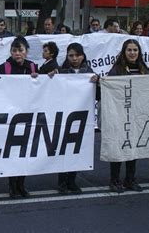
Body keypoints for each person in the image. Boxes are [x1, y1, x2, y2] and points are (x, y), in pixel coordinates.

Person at [53, 42, 98, 194]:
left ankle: (72, 181)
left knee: (77, 149)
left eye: (77, 55)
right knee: (63, 148)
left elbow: (97, 96)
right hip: (65, 117)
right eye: (71, 55)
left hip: (82, 117)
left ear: (83, 56)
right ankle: (62, 181)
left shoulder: (89, 72)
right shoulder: (61, 71)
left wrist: (96, 83)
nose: (74, 58)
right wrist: (51, 78)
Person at [0, 37, 38, 198]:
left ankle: (21, 184)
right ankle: (12, 184)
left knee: (25, 151)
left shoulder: (33, 67)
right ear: (10, 52)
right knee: (12, 151)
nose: (17, 53)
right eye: (14, 50)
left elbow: (43, 88)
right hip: (10, 115)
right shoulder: (4, 67)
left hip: (28, 114)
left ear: (26, 51)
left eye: (20, 50)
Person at [107, 39, 149, 193]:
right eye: (129, 50)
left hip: (137, 116)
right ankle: (115, 180)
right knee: (119, 148)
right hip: (120, 115)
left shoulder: (144, 69)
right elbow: (110, 88)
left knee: (133, 149)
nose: (132, 53)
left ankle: (130, 179)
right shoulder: (117, 69)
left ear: (139, 53)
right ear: (124, 52)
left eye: (135, 50)